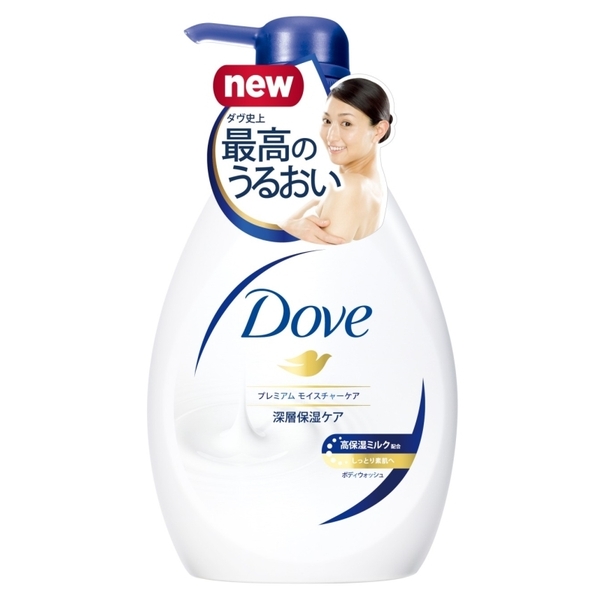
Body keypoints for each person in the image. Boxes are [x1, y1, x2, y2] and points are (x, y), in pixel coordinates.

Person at [279, 77, 393, 244]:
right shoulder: (368, 185)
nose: (331, 136)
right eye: (327, 121)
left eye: (346, 123)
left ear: (379, 131)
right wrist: (288, 225)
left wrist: (287, 227)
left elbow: (319, 260)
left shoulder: (349, 187)